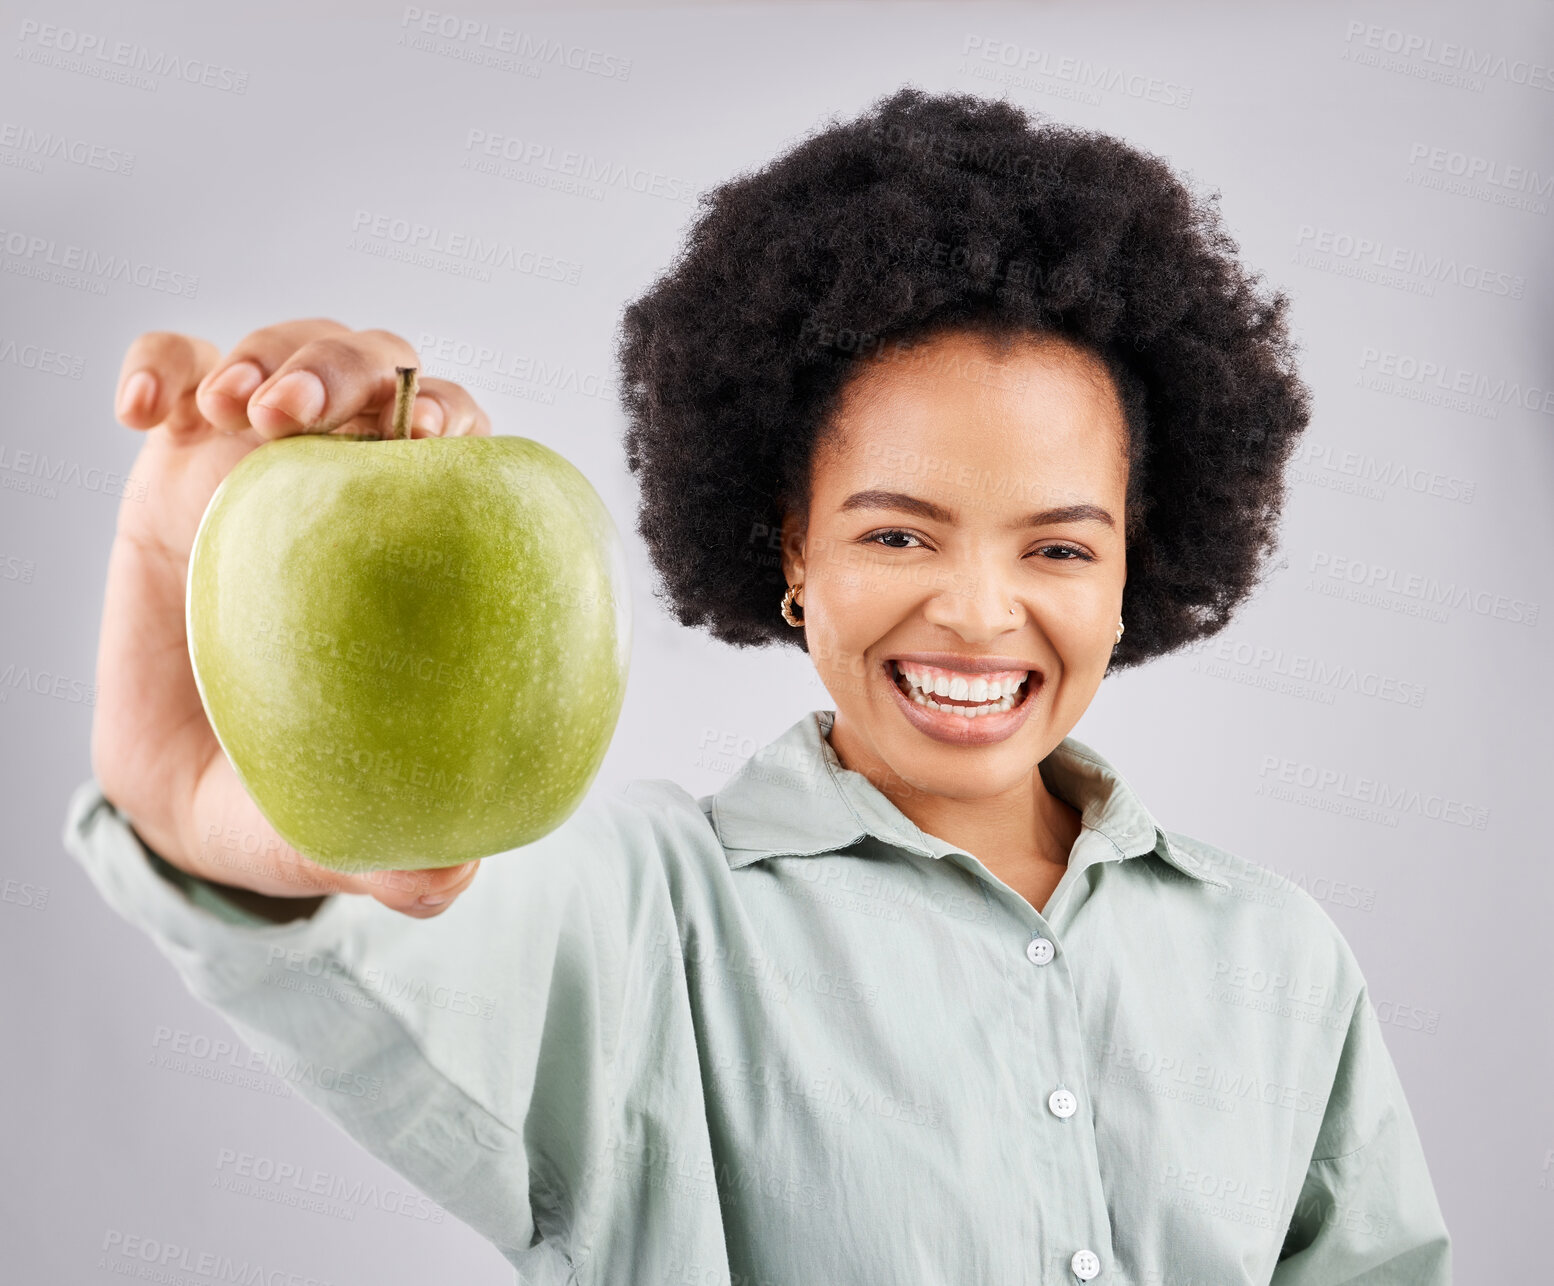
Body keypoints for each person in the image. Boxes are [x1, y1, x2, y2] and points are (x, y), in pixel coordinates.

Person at [64, 88, 1451, 1284]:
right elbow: (398, 912)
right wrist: (248, 814)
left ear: (1131, 564)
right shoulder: (643, 916)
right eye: (895, 531)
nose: (977, 611)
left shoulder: (1276, 956)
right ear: (789, 544)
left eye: (1057, 545)